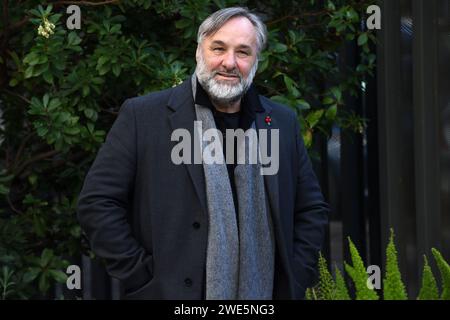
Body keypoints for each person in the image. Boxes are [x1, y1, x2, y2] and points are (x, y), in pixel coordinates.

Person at [77, 7, 329, 300]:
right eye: (218, 48)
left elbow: (311, 209)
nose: (229, 62)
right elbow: (97, 202)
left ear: (256, 61)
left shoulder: (281, 123)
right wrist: (143, 278)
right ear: (199, 52)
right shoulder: (143, 117)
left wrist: (294, 278)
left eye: (243, 52)